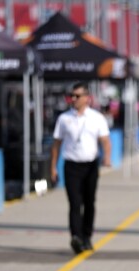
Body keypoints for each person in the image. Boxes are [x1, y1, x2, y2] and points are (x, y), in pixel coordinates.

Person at [50, 82, 111, 254]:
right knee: (74, 203)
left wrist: (107, 157)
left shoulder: (97, 118)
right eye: (72, 96)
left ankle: (87, 236)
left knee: (89, 202)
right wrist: (53, 167)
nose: (74, 99)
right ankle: (75, 237)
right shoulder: (64, 119)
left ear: (87, 98)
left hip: (91, 165)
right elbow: (56, 144)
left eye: (78, 96)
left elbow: (105, 140)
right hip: (71, 165)